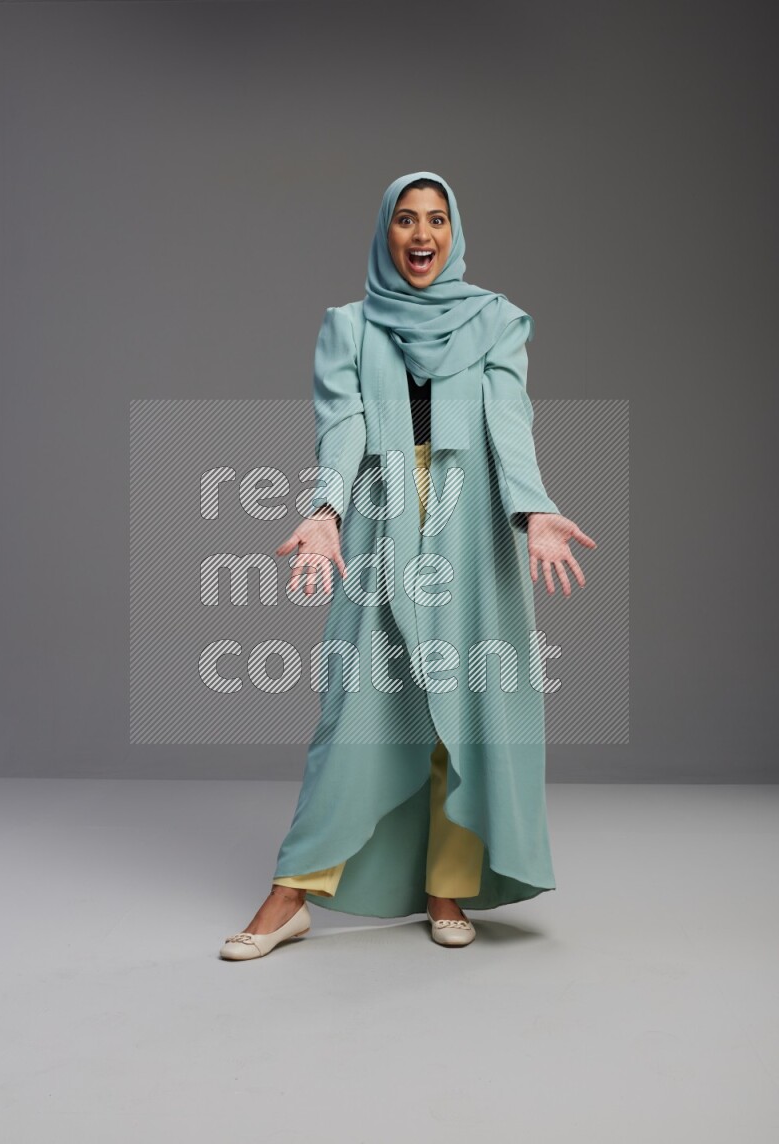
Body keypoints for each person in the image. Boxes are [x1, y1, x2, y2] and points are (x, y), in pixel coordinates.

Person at [220, 170, 596, 960]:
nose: (421, 233)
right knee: (355, 707)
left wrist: (533, 511)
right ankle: (293, 893)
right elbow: (342, 426)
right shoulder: (349, 327)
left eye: (436, 219)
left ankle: (446, 887)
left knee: (464, 701)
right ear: (385, 232)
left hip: (475, 518)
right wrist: (325, 510)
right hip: (379, 508)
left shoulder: (494, 320)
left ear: (453, 233)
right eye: (406, 219)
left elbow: (509, 420)